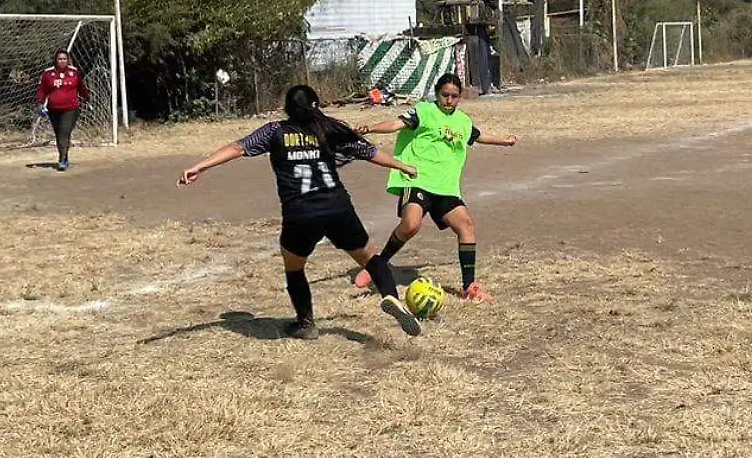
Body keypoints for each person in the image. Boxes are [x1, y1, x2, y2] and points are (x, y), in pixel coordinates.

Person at [178, 85, 418, 340]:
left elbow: (238, 148)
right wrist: (401, 165)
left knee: (294, 265)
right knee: (370, 257)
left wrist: (199, 166)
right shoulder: (327, 129)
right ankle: (390, 295)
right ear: (315, 105)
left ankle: (306, 323)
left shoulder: (274, 131)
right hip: (337, 207)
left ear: (288, 108)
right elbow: (368, 152)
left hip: (300, 212)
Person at [350, 74, 520, 301]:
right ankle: (377, 265)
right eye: (445, 95)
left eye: (454, 96)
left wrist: (505, 140)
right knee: (410, 225)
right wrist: (369, 129)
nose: (449, 100)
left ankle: (469, 286)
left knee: (466, 225)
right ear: (437, 93)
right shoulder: (424, 112)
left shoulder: (462, 121)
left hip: (446, 187)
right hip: (418, 179)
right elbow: (395, 124)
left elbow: (478, 136)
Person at [37, 50, 84, 172]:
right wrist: (40, 103)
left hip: (71, 108)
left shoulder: (74, 73)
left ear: (68, 60)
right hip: (54, 109)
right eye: (60, 59)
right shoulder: (48, 74)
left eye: (64, 59)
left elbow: (82, 87)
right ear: (55, 60)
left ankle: (62, 159)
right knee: (59, 134)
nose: (62, 61)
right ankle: (65, 156)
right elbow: (42, 90)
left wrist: (87, 98)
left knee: (64, 132)